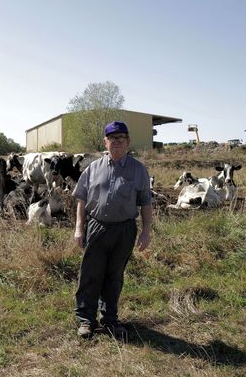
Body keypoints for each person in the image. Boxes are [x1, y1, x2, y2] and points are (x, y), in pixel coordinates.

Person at [72, 121, 152, 339]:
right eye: (112, 138)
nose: (116, 142)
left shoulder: (139, 170)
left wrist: (146, 231)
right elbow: (81, 200)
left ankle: (110, 320)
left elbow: (145, 202)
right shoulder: (92, 169)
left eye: (121, 138)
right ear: (105, 142)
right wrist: (79, 229)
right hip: (97, 226)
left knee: (114, 276)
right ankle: (86, 320)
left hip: (125, 230)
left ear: (127, 142)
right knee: (90, 274)